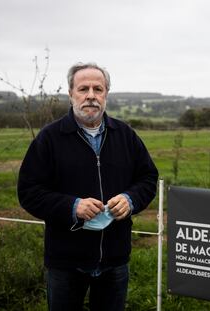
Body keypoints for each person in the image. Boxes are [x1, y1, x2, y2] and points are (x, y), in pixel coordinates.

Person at [17, 62, 158, 311]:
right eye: (83, 89)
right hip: (66, 262)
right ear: (71, 94)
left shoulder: (125, 135)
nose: (91, 95)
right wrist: (73, 206)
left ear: (106, 94)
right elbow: (29, 192)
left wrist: (130, 199)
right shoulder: (50, 139)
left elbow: (147, 178)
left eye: (98, 89)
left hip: (115, 260)